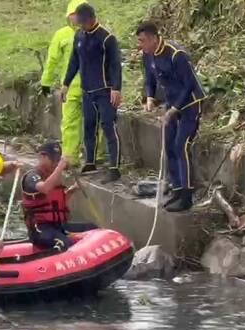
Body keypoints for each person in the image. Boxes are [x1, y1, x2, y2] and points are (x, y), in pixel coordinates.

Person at [137, 21, 206, 212]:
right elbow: (150, 79)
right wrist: (150, 98)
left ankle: (186, 195)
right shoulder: (148, 54)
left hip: (190, 103)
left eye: (143, 41)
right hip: (171, 103)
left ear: (152, 38)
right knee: (169, 145)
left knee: (181, 145)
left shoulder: (177, 54)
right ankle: (176, 189)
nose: (141, 45)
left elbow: (189, 84)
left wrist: (174, 109)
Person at [61, 3, 123, 184]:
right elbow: (74, 61)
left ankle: (114, 167)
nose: (81, 26)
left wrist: (115, 88)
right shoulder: (79, 36)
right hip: (87, 89)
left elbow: (115, 65)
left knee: (108, 126)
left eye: (83, 22)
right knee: (89, 126)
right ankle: (90, 161)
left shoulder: (107, 38)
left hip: (104, 91)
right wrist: (66, 83)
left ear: (91, 19)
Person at [39, 0, 104, 167]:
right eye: (73, 15)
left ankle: (90, 156)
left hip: (91, 87)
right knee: (73, 123)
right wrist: (46, 81)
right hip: (74, 88)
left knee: (91, 122)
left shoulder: (96, 33)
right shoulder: (64, 35)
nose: (76, 19)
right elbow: (53, 59)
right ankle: (74, 157)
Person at [21, 141, 97, 251]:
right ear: (42, 157)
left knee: (92, 228)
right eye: (53, 159)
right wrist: (60, 167)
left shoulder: (53, 176)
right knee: (64, 243)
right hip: (40, 229)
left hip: (57, 226)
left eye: (57, 160)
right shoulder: (32, 176)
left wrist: (72, 190)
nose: (55, 163)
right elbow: (45, 188)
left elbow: (58, 204)